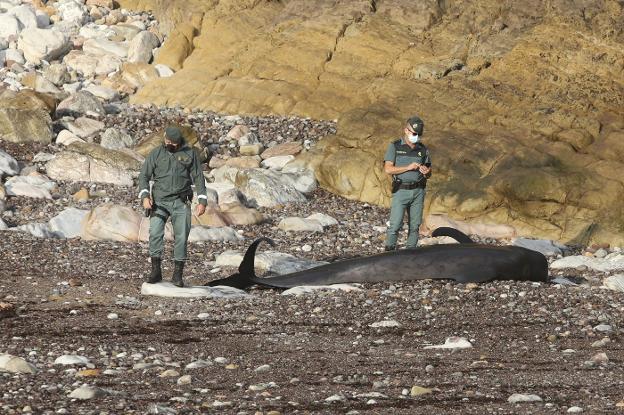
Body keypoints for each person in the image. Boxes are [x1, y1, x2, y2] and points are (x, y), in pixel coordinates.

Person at [138, 126, 208, 287]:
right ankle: (156, 271)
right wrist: (144, 196)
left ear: (178, 142)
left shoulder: (190, 154)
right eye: (168, 141)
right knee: (155, 233)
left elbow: (198, 177)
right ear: (164, 138)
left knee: (181, 237)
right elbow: (144, 176)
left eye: (173, 143)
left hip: (180, 202)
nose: (169, 144)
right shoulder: (156, 153)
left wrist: (202, 201)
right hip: (159, 202)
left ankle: (178, 274)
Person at [383, 116, 432, 250]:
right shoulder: (395, 146)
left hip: (418, 191)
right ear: (406, 130)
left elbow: (429, 171)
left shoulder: (423, 149)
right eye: (414, 133)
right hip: (401, 190)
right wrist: (408, 167)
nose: (416, 136)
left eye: (418, 134)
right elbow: (388, 169)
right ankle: (389, 252)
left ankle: (410, 254)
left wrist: (425, 171)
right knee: (395, 224)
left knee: (415, 226)